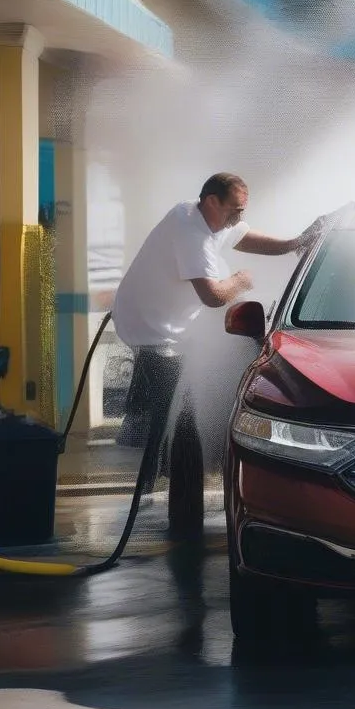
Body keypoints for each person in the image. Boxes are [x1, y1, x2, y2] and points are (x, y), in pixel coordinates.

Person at [111, 172, 325, 537]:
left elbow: (245, 237)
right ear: (212, 201)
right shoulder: (190, 233)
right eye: (234, 210)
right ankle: (162, 503)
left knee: (176, 411)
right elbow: (212, 296)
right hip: (153, 334)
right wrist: (241, 281)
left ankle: (154, 486)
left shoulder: (209, 218)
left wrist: (294, 243)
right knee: (177, 414)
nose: (238, 218)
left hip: (171, 328)